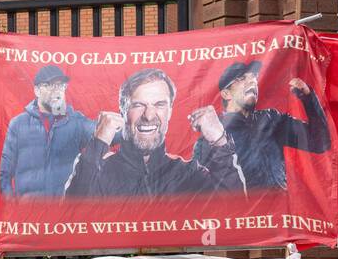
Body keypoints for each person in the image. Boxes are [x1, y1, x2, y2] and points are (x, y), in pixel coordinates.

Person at [64, 68, 242, 199]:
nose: (149, 116)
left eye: (159, 105)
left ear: (170, 111)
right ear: (122, 111)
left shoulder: (188, 173)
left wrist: (220, 142)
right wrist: (98, 143)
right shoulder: (96, 170)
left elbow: (236, 210)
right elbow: (72, 215)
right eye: (138, 105)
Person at [205, 60, 331, 192]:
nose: (252, 81)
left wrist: (308, 98)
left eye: (254, 77)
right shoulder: (213, 134)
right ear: (226, 94)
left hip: (278, 208)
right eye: (242, 78)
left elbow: (319, 143)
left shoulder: (270, 119)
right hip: (242, 210)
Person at [0, 64, 96, 199]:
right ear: (37, 91)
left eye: (61, 86)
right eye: (50, 85)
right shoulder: (18, 124)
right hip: (29, 214)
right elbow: (4, 174)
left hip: (64, 213)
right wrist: (14, 207)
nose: (56, 90)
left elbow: (108, 134)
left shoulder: (76, 122)